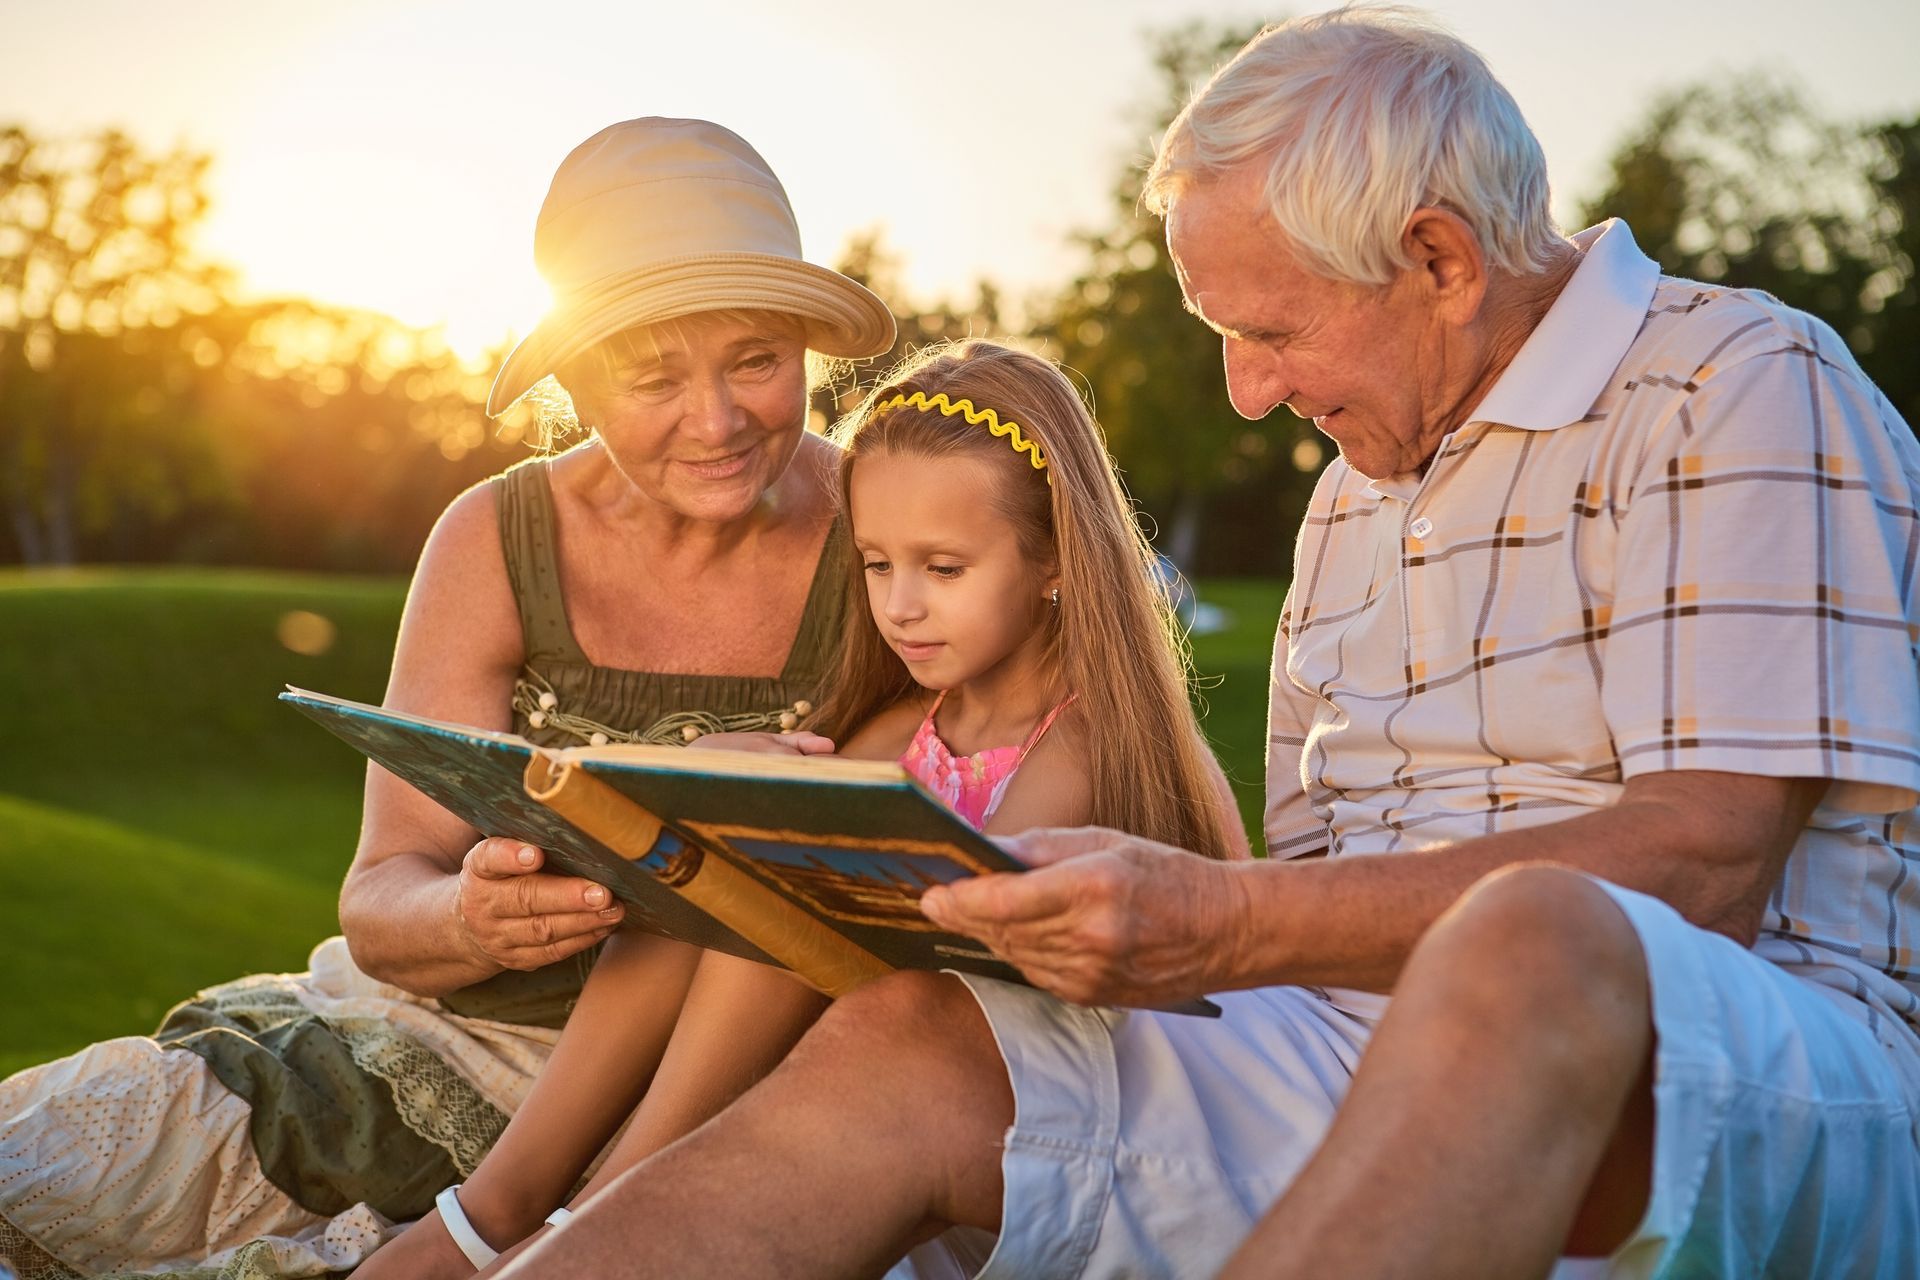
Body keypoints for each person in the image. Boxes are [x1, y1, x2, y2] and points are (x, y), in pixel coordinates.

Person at [491, 11, 1920, 1279]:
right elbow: (1306, 901)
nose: (1246, 394)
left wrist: (1222, 923)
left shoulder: (1735, 382)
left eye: (1272, 330)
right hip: (1351, 1045)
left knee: (1530, 936)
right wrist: (1149, 935)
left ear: (1438, 259)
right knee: (921, 1032)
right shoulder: (1357, 495)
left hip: (1766, 1063)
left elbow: (1706, 861)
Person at [0, 117, 897, 1279]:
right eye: (653, 378)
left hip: (721, 1087)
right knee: (46, 1162)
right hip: (431, 1035)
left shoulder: (888, 533)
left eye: (758, 361)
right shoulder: (494, 535)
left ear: (810, 349)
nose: (718, 420)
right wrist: (470, 919)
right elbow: (383, 898)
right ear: (573, 378)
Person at [355, 338, 1250, 1275]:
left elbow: (978, 989)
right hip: (881, 1060)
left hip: (1034, 1094)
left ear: (1056, 559)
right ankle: (504, 1205)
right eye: (874, 565)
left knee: (787, 893)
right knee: (704, 866)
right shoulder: (909, 724)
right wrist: (698, 791)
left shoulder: (1083, 748)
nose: (900, 607)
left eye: (943, 570)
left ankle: (598, 1212)